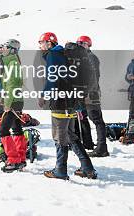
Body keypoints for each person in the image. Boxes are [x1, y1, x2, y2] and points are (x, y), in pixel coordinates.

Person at [39, 32, 97, 180]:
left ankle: (60, 170)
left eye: (41, 41)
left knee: (60, 135)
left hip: (60, 100)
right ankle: (87, 167)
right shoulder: (64, 54)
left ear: (49, 42)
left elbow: (52, 78)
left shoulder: (53, 55)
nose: (39, 44)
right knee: (70, 134)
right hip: (71, 100)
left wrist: (44, 95)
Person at [0, 39, 28, 172]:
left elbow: (12, 85)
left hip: (14, 101)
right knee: (16, 129)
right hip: (16, 101)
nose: (3, 50)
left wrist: (8, 103)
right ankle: (20, 158)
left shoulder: (13, 64)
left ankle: (14, 160)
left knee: (3, 130)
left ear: (12, 50)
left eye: (5, 47)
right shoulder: (11, 62)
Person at [76, 35, 109, 157]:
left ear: (88, 45)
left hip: (91, 94)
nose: (80, 45)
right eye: (78, 43)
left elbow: (93, 78)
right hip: (82, 94)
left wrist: (88, 92)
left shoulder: (91, 58)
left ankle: (102, 148)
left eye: (82, 43)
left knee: (96, 119)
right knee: (82, 117)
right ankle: (87, 143)